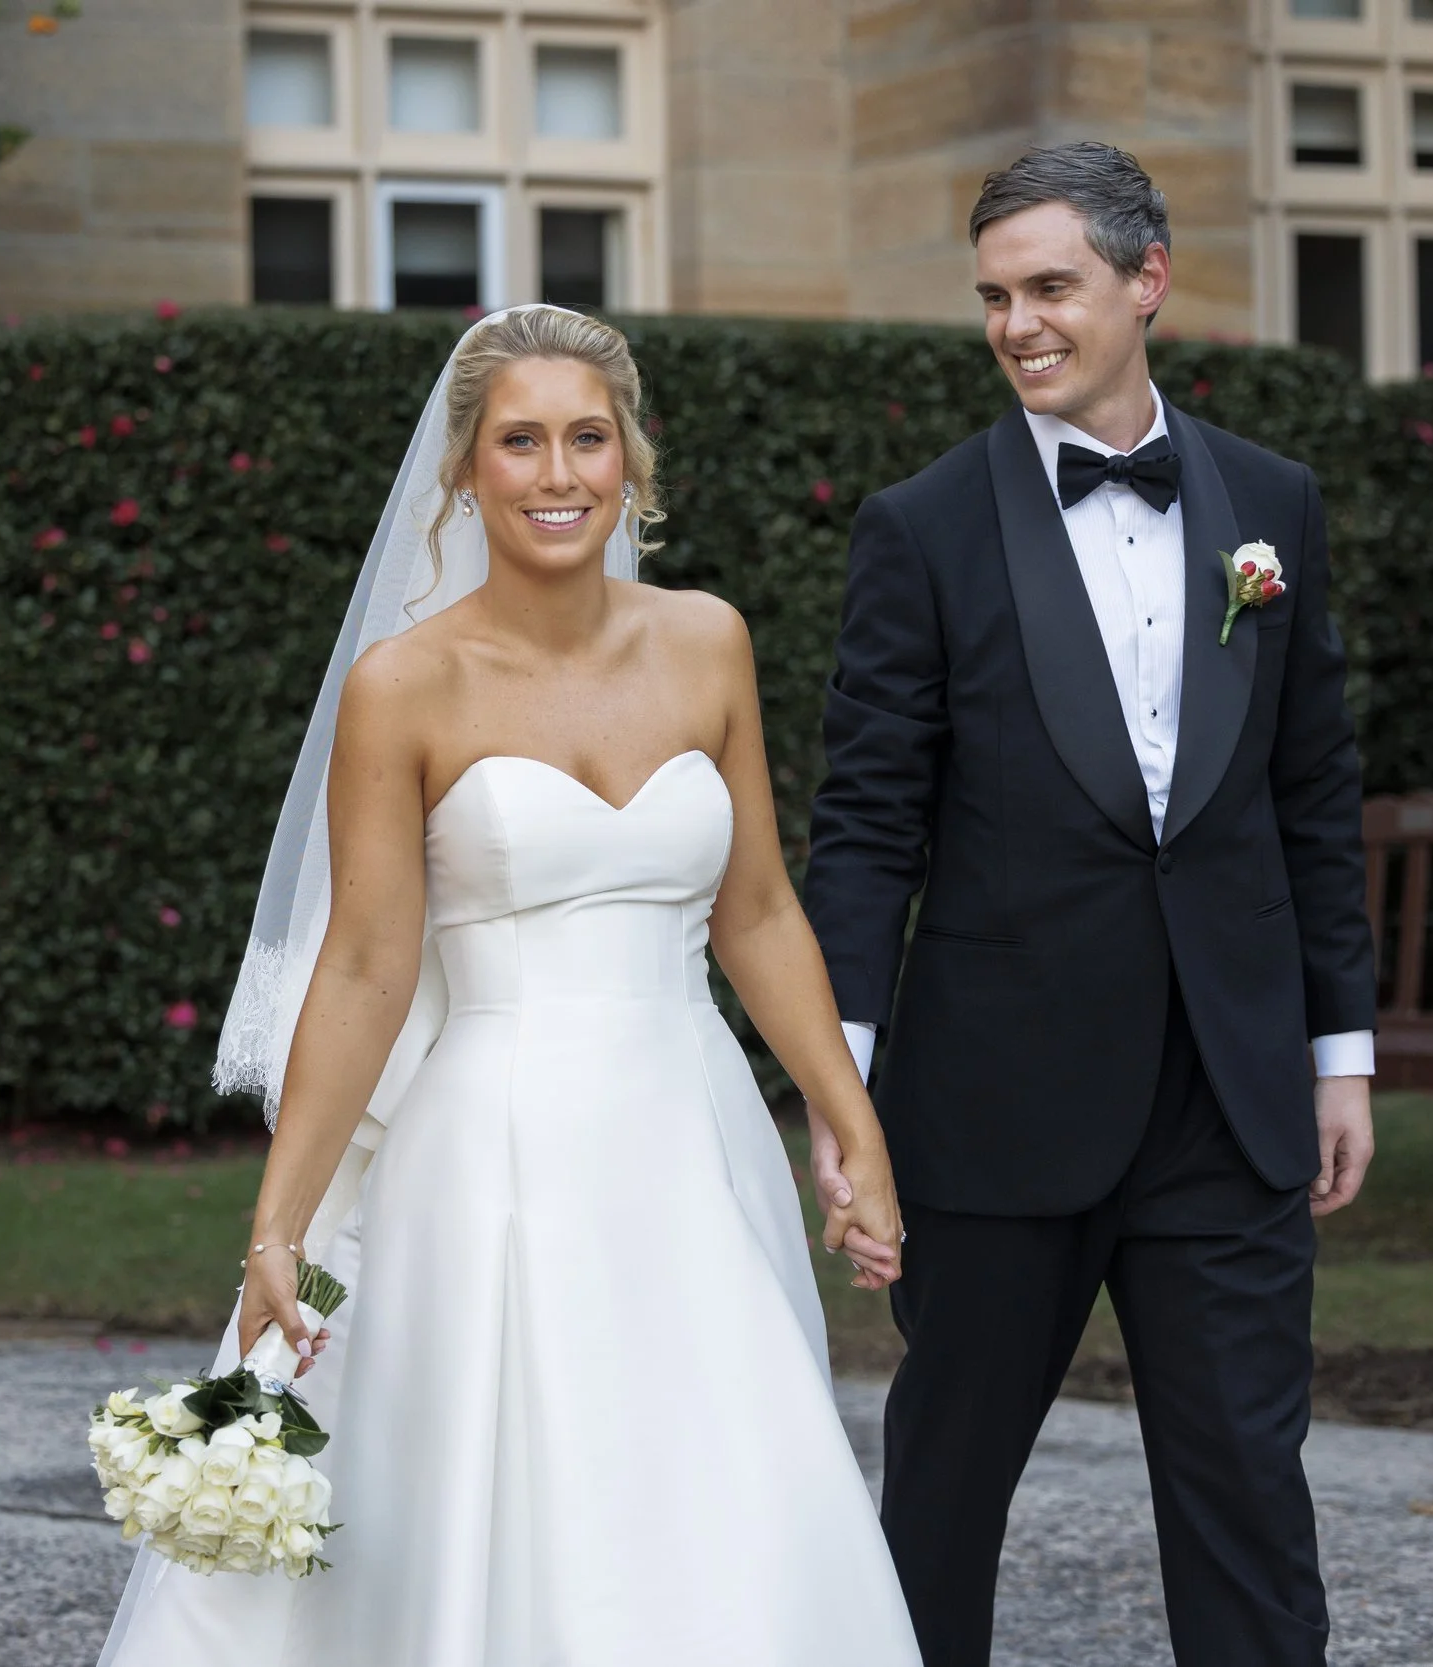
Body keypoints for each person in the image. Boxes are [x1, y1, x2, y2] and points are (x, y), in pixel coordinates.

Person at [98, 304, 922, 1666]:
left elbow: (759, 906)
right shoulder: (405, 684)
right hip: (492, 1152)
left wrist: (855, 1122)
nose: (557, 474)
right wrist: (279, 1217)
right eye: (521, 441)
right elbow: (367, 964)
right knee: (517, 1488)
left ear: (632, 460)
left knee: (718, 1473)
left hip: (689, 1136)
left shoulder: (709, 640)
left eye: (587, 438)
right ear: (466, 471)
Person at [801, 143, 1381, 1667]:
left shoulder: (1272, 505)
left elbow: (1311, 796)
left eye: (1050, 285)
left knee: (1249, 1492)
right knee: (945, 1489)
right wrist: (840, 1089)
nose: (1018, 323)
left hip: (1229, 1099)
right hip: (993, 1108)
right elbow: (867, 825)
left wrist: (1340, 1056)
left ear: (1147, 281)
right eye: (994, 294)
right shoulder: (919, 529)